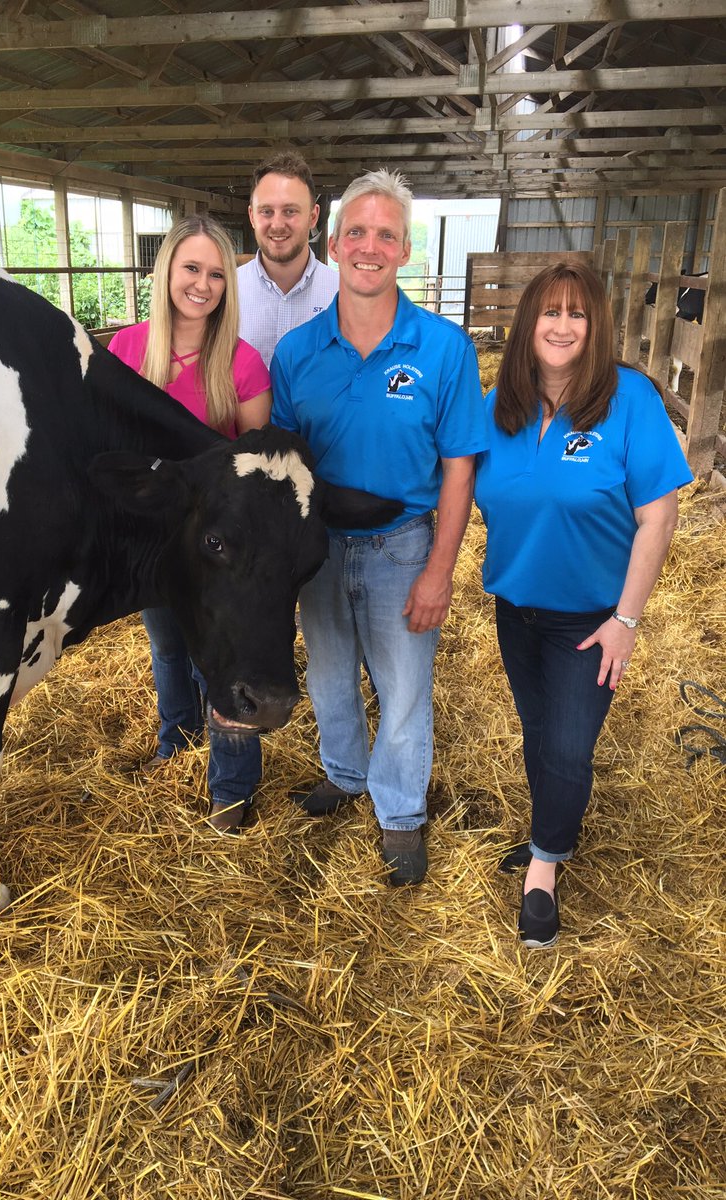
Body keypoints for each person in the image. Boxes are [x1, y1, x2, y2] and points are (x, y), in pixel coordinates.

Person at [270, 169, 487, 886]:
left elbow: (459, 470)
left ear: (405, 250)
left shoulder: (444, 350)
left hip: (403, 545)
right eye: (356, 232)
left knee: (403, 688)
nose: (370, 246)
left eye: (385, 234)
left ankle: (399, 812)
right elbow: (283, 466)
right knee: (329, 675)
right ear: (332, 245)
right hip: (322, 547)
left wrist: (438, 571)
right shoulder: (297, 354)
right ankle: (345, 773)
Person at [474, 261, 692, 948]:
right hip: (517, 609)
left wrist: (626, 621)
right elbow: (458, 481)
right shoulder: (500, 405)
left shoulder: (629, 401)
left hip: (592, 621)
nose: (563, 326)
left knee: (568, 747)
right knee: (540, 733)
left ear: (595, 327)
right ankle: (549, 832)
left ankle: (543, 869)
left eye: (578, 314)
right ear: (527, 325)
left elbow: (659, 517)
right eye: (550, 312)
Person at [108, 215, 271, 834]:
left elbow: (255, 467)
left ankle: (232, 786)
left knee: (222, 659)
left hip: (217, 548)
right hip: (153, 541)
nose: (202, 285)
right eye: (191, 269)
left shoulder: (243, 363)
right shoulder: (126, 350)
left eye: (215, 274)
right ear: (167, 271)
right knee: (168, 648)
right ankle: (176, 745)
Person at [237, 151, 339, 368]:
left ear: (313, 217)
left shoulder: (341, 294)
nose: (277, 224)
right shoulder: (227, 291)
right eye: (266, 211)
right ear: (252, 216)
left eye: (290, 211)